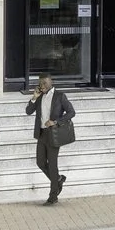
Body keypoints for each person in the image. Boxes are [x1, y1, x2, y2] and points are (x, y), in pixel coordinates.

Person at [26, 73, 74, 205]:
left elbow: (71, 112)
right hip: (41, 134)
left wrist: (56, 122)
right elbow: (28, 111)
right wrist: (34, 98)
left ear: (51, 82)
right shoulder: (39, 96)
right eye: (40, 83)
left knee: (52, 166)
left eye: (45, 83)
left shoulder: (60, 96)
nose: (42, 86)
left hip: (53, 134)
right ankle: (58, 179)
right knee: (40, 162)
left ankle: (53, 196)